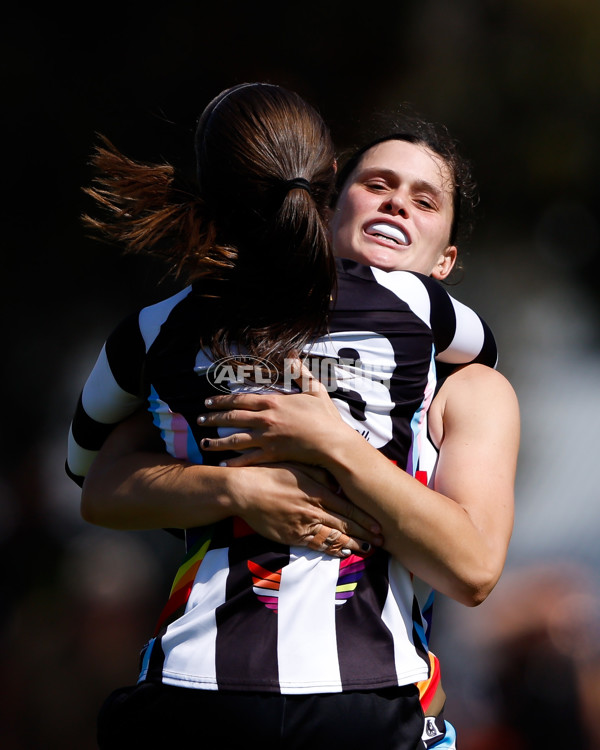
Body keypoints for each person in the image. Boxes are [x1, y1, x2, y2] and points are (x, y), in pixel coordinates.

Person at [67, 98, 517, 749]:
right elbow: (100, 484)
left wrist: (332, 439)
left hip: (366, 693)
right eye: (377, 185)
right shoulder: (192, 334)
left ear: (446, 264)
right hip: (207, 687)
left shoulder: (469, 389)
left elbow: (473, 570)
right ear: (325, 201)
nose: (396, 205)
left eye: (424, 201)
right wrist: (236, 490)